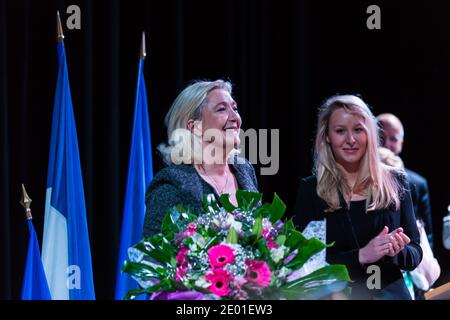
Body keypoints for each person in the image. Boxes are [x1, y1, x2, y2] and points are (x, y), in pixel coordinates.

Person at [294, 95, 422, 300]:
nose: (350, 140)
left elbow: (415, 252)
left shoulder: (396, 180)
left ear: (369, 134)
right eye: (340, 131)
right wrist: (360, 256)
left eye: (358, 129)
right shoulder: (311, 189)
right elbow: (306, 262)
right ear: (327, 136)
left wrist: (397, 251)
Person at [142, 80, 259, 237]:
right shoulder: (173, 183)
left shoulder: (244, 170)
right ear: (194, 127)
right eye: (222, 109)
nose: (235, 117)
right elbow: (152, 254)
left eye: (235, 108)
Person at [377, 113, 434, 250]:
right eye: (381, 137)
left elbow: (427, 236)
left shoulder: (417, 183)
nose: (386, 144)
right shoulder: (352, 177)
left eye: (393, 139)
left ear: (401, 144)